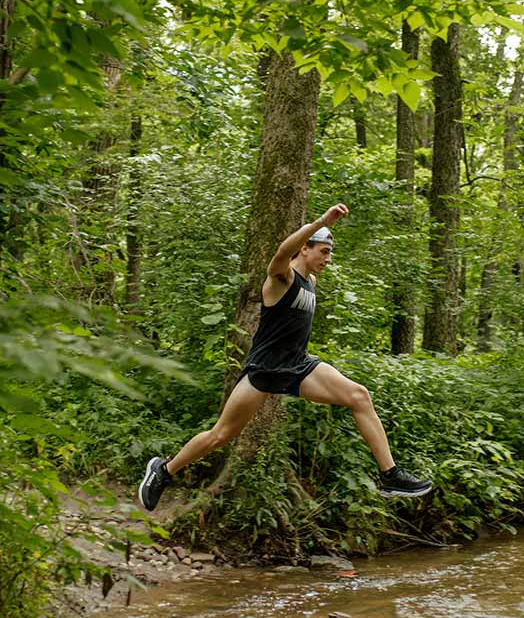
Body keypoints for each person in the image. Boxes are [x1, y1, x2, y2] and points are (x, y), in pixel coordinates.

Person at [138, 202, 432, 511]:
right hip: (264, 370)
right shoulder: (282, 278)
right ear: (304, 248)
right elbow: (280, 252)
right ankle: (164, 469)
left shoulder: (311, 283)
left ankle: (389, 475)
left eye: (330, 253)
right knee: (220, 435)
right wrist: (321, 220)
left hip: (298, 367)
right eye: (323, 252)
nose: (328, 259)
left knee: (359, 396)